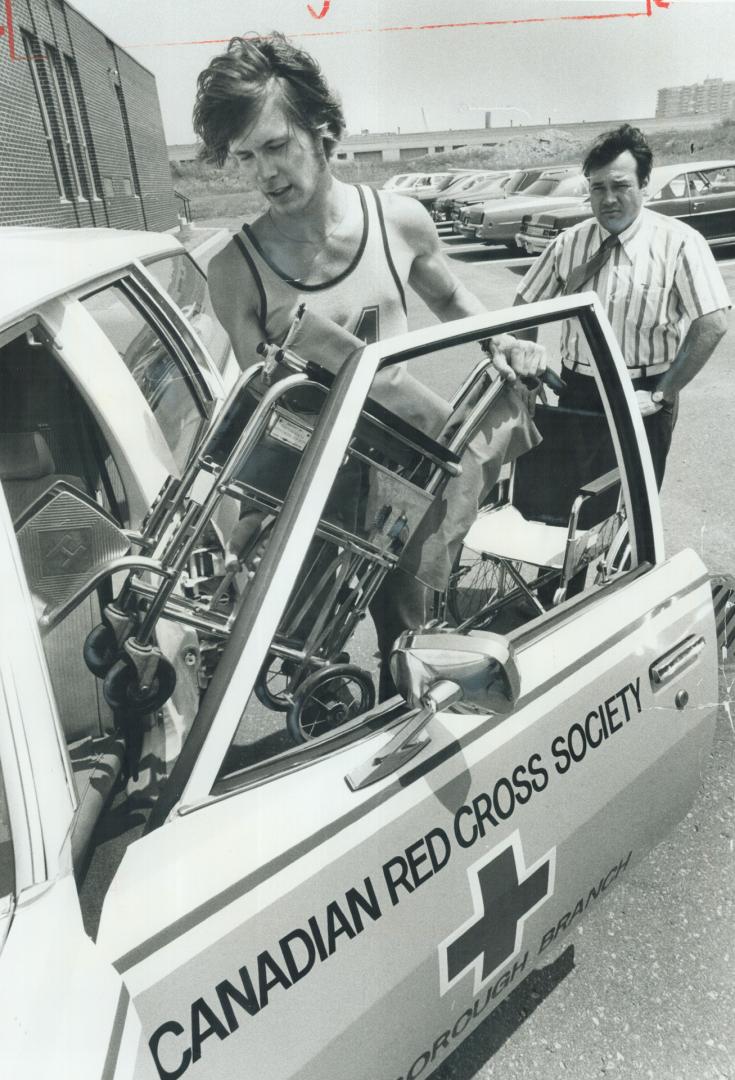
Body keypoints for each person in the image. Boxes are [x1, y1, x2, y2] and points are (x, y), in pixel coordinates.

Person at [194, 32, 546, 698]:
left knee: (408, 643)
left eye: (277, 146)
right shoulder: (236, 271)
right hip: (313, 479)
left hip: (407, 474)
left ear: (322, 131)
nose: (264, 174)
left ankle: (403, 732)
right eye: (243, 157)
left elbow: (460, 304)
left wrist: (510, 345)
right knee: (294, 653)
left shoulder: (400, 222)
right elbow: (269, 408)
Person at [515, 123, 730, 488]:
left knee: (632, 507)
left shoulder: (679, 243)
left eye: (620, 186)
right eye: (598, 188)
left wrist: (664, 391)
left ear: (645, 185)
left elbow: (713, 321)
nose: (608, 198)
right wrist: (529, 372)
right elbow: (523, 305)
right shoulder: (569, 244)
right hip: (577, 390)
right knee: (570, 501)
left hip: (643, 392)